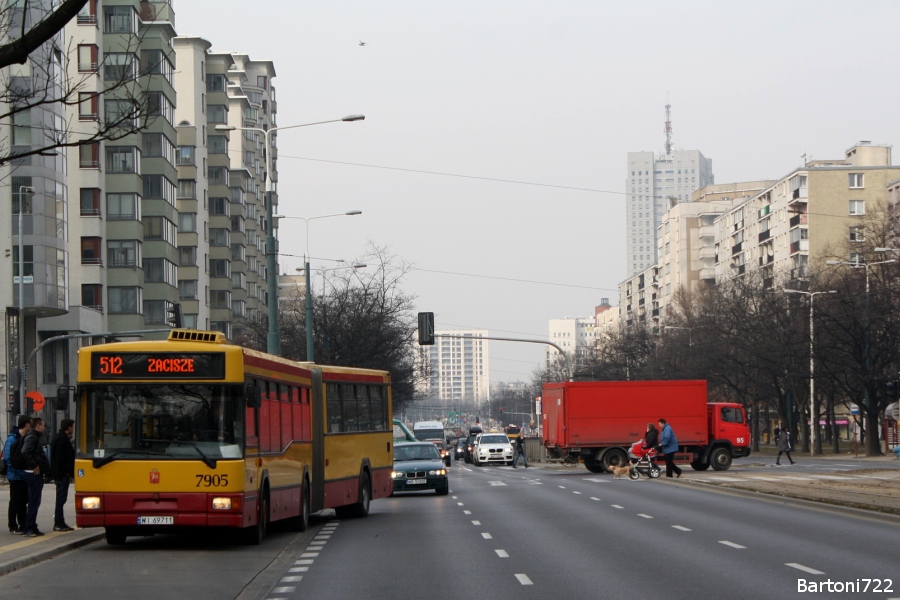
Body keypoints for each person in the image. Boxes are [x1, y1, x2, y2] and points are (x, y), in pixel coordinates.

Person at [21, 417, 50, 537]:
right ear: (38, 426)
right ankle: (29, 527)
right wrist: (35, 466)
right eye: (43, 425)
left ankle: (32, 525)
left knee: (35, 501)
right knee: (34, 501)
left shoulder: (34, 437)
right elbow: (25, 452)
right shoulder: (32, 437)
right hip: (33, 474)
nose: (44, 428)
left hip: (34, 474)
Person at [5, 415, 31, 534]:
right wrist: (18, 471)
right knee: (15, 500)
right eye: (30, 424)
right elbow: (8, 459)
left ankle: (23, 523)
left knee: (23, 501)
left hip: (24, 475)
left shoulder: (25, 438)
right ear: (26, 425)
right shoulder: (12, 438)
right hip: (15, 476)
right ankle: (12, 525)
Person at [50, 419, 76, 532]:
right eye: (72, 427)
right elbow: (61, 458)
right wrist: (67, 472)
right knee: (61, 499)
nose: (73, 429)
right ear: (69, 427)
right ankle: (58, 523)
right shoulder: (62, 440)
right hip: (62, 474)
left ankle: (60, 522)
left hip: (60, 474)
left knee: (61, 499)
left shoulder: (59, 437)